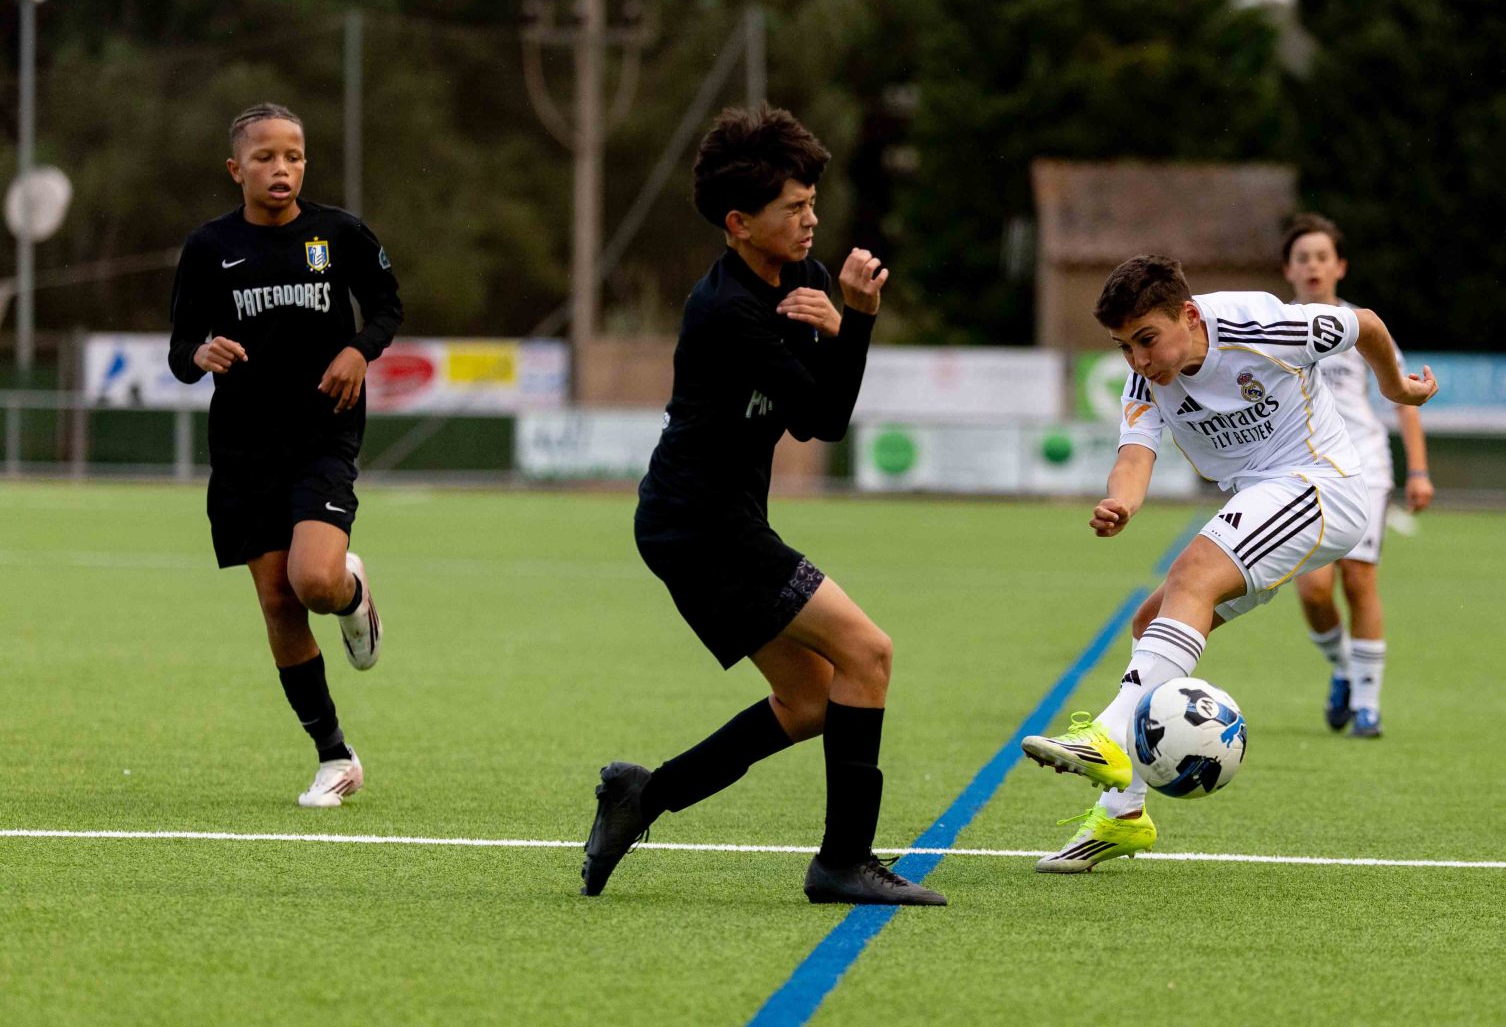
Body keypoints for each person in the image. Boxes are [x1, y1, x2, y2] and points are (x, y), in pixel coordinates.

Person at [581, 106, 944, 907]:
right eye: (793, 208)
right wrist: (856, 324)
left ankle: (644, 796)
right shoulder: (726, 310)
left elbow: (813, 420)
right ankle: (843, 862)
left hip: (713, 520)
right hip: (698, 523)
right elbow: (830, 418)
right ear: (740, 224)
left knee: (810, 701)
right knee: (868, 653)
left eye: (813, 203)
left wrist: (842, 326)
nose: (811, 220)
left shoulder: (804, 281)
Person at [1020, 254, 1436, 872]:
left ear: (1189, 316)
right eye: (1124, 347)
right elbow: (1134, 454)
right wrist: (1122, 501)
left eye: (1146, 340)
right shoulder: (1147, 378)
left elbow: (1367, 324)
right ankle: (1122, 814)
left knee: (1192, 572)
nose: (1137, 360)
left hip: (1324, 486)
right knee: (1151, 623)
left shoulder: (1261, 326)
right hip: (1263, 498)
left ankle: (1108, 731)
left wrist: (1395, 387)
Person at [168, 103, 401, 808]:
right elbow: (180, 349)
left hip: (323, 432)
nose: (281, 168)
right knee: (278, 601)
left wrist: (359, 350)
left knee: (315, 582)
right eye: (265, 157)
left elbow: (387, 307)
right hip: (245, 448)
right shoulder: (209, 247)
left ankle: (351, 592)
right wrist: (201, 353)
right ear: (236, 169)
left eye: (293, 156)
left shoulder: (338, 234)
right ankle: (335, 756)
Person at [1281, 214, 1433, 738]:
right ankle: (1344, 667)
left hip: (1364, 465)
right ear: (1289, 269)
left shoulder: (1361, 325)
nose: (1313, 266)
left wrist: (1419, 470)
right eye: (1303, 258)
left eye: (1322, 257)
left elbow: (1404, 398)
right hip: (1304, 470)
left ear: (1340, 266)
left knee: (1359, 580)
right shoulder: (1274, 326)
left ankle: (1368, 705)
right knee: (1313, 591)